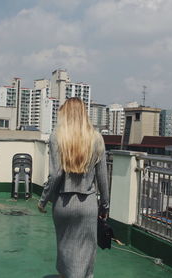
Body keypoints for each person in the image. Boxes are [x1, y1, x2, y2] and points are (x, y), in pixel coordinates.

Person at [38, 97, 109, 278]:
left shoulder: (57, 136)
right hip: (88, 205)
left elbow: (55, 174)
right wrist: (105, 206)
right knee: (86, 250)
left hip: (63, 203)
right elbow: (102, 178)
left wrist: (43, 200)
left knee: (65, 246)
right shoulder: (97, 138)